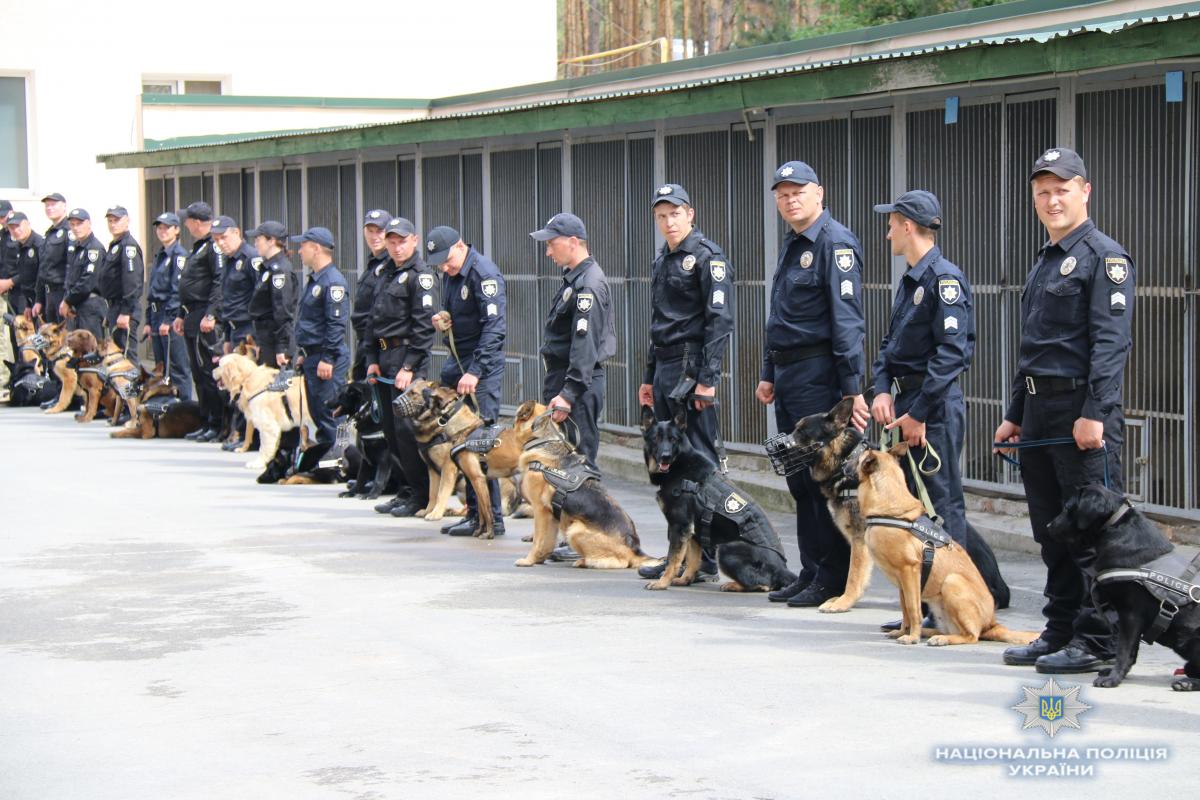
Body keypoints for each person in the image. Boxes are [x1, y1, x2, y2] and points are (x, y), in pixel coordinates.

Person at [995, 147, 1132, 674]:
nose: (1052, 200)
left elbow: (1111, 343)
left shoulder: (1105, 258)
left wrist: (1094, 412)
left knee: (1093, 535)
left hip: (1081, 412)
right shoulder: (1047, 258)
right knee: (1053, 530)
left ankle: (1098, 639)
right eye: (1043, 192)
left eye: (1062, 190)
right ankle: (1060, 629)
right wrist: (1013, 411)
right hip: (1037, 411)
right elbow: (1035, 344)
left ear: (1085, 191)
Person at [757, 160, 868, 608]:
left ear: (819, 193)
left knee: (825, 479)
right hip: (788, 375)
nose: (789, 199)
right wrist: (768, 372)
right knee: (800, 479)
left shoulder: (834, 243)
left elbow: (847, 322)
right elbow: (779, 314)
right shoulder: (793, 243)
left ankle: (833, 576)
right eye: (782, 194)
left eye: (797, 191)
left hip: (819, 375)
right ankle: (812, 569)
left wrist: (852, 389)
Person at [869, 190, 975, 631]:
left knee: (942, 508)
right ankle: (919, 609)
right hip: (906, 403)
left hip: (933, 406)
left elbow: (952, 354)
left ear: (908, 226)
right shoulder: (911, 279)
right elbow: (888, 348)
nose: (888, 231)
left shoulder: (944, 280)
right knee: (913, 509)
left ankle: (953, 603)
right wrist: (879, 390)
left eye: (891, 223)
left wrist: (920, 412)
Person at [636, 183, 733, 580]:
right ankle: (682, 553)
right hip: (664, 368)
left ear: (690, 214)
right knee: (670, 467)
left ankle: (709, 556)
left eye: (674, 214)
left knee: (701, 463)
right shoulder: (663, 258)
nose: (668, 221)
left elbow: (720, 321)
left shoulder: (707, 257)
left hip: (692, 371)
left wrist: (708, 380)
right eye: (661, 216)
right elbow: (659, 324)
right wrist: (647, 378)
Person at [426, 226, 507, 537]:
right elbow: (458, 311)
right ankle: (474, 514)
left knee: (481, 443)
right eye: (440, 265)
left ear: (460, 246)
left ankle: (493, 517)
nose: (445, 268)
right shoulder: (451, 272)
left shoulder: (483, 273)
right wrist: (443, 318)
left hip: (480, 369)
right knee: (461, 443)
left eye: (447, 261)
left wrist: (475, 371)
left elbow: (494, 328)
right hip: (458, 364)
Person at [529, 212, 616, 469]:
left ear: (573, 242)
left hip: (577, 385)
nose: (548, 252)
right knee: (562, 466)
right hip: (568, 380)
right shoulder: (576, 279)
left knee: (578, 467)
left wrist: (568, 394)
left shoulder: (587, 284)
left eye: (551, 244)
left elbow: (584, 344)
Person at [363, 217, 437, 517]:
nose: (396, 246)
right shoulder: (384, 272)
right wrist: (370, 361)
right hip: (383, 358)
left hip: (406, 357)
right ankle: (406, 489)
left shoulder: (421, 276)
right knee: (391, 431)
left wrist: (409, 366)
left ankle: (420, 494)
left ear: (414, 240)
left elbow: (424, 327)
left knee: (407, 431)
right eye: (391, 241)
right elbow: (372, 320)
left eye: (401, 241)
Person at [291, 227, 352, 472]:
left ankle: (343, 462)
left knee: (333, 413)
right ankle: (330, 461)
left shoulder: (332, 281)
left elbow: (336, 323)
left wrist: (328, 357)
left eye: (303, 246)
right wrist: (304, 353)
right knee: (318, 413)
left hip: (327, 358)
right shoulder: (315, 279)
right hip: (312, 356)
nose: (299, 251)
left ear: (316, 248)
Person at [174, 202, 224, 442]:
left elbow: (219, 282)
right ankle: (206, 420)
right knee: (198, 372)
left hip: (205, 315)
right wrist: (181, 314)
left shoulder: (213, 247)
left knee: (208, 372)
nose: (185, 224)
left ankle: (217, 423)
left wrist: (211, 314)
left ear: (197, 222)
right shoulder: (199, 247)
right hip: (192, 313)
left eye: (187, 220)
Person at [143, 213, 192, 399]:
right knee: (161, 366)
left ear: (177, 230)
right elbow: (152, 291)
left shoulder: (179, 255)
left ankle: (184, 408)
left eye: (167, 227)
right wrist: (148, 321)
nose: (162, 231)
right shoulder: (160, 254)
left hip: (168, 315)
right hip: (156, 315)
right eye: (159, 227)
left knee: (177, 366)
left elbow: (177, 290)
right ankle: (166, 407)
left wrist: (169, 319)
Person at [246, 221, 298, 368]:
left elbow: (282, 311)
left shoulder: (279, 270)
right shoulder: (268, 268)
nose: (255, 244)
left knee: (275, 387)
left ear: (271, 241)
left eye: (258, 239)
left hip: (274, 339)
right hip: (265, 337)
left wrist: (282, 346)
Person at [98, 206, 144, 357]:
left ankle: (133, 381)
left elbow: (132, 282)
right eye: (110, 221)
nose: (112, 224)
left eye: (116, 220)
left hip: (124, 308)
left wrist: (125, 312)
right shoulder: (116, 245)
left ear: (127, 221)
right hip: (114, 307)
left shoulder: (127, 246)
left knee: (126, 356)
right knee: (116, 355)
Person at [351, 209, 391, 380]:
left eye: (380, 231)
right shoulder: (373, 264)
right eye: (370, 231)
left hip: (380, 347)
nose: (374, 236)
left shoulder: (390, 265)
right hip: (366, 344)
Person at [211, 216, 259, 350]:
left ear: (236, 233)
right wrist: (227, 337)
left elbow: (262, 299)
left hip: (250, 330)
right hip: (233, 330)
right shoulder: (229, 260)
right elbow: (228, 300)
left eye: (223, 237)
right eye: (216, 240)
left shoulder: (251, 258)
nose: (220, 243)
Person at [61, 209, 108, 342]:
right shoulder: (78, 247)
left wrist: (68, 301)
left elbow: (87, 281)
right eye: (73, 224)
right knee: (77, 351)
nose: (76, 228)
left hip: (90, 306)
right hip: (78, 305)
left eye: (79, 224)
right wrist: (69, 301)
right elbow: (71, 279)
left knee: (91, 351)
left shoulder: (94, 248)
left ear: (89, 223)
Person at [34, 192, 71, 324]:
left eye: (53, 204)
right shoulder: (49, 233)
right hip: (48, 294)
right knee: (52, 341)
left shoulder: (69, 230)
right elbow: (42, 268)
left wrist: (67, 299)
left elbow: (71, 267)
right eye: (47, 205)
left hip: (62, 293)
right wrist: (39, 299)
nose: (49, 208)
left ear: (64, 206)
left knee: (65, 338)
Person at [5, 212, 43, 317]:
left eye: (18, 226)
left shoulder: (39, 244)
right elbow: (26, 276)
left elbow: (41, 276)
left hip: (42, 301)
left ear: (28, 224)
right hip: (31, 301)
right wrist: (28, 304)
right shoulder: (20, 246)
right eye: (11, 228)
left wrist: (38, 301)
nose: (15, 231)